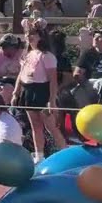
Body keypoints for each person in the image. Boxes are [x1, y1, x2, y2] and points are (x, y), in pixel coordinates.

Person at [14, 27, 67, 162]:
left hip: (42, 91)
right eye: (28, 33)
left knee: (51, 127)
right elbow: (21, 74)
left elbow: (53, 81)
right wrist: (16, 91)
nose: (29, 36)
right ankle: (39, 156)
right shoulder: (27, 54)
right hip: (28, 91)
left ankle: (66, 154)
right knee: (35, 126)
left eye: (33, 34)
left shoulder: (47, 56)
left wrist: (52, 100)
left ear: (41, 37)